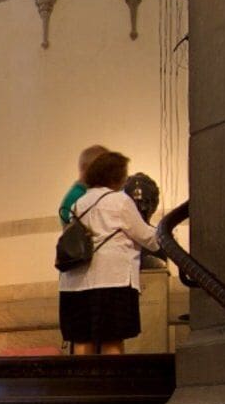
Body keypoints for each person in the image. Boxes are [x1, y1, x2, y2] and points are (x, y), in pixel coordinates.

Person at [57, 145, 154, 355]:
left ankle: (84, 386)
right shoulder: (119, 201)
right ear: (116, 177)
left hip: (76, 284)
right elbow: (145, 236)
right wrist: (165, 239)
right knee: (112, 342)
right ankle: (113, 387)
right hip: (112, 281)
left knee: (82, 342)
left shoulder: (78, 203)